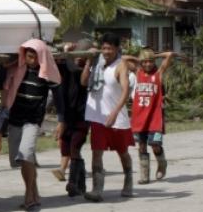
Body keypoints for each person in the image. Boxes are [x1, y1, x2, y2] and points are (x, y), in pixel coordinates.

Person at [3, 38, 61, 211]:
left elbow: (59, 97)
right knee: (22, 161)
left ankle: (28, 195)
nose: (32, 60)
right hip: (15, 120)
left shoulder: (46, 74)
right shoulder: (16, 69)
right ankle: (34, 193)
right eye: (29, 56)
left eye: (36, 57)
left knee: (25, 155)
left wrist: (61, 120)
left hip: (32, 122)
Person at [81, 32, 135, 202]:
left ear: (117, 49)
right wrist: (89, 61)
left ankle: (128, 179)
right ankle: (97, 189)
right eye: (104, 48)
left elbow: (126, 91)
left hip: (116, 118)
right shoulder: (97, 63)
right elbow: (83, 82)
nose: (106, 51)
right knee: (97, 153)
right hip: (97, 116)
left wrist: (114, 112)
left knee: (122, 152)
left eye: (109, 48)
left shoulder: (121, 65)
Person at [130, 48, 175, 184]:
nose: (148, 64)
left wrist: (153, 55)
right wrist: (140, 58)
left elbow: (170, 55)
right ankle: (144, 175)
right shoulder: (137, 73)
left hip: (155, 118)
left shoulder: (158, 74)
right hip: (139, 118)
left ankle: (162, 163)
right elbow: (124, 59)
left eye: (151, 62)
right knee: (142, 146)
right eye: (145, 62)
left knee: (155, 144)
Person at [54, 39, 92, 197]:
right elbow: (58, 60)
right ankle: (81, 185)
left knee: (75, 148)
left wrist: (89, 61)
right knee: (66, 149)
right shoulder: (65, 68)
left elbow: (83, 81)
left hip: (82, 116)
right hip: (67, 117)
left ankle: (72, 183)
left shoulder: (88, 69)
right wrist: (65, 50)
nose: (78, 58)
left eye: (81, 56)